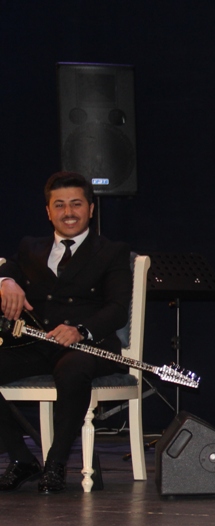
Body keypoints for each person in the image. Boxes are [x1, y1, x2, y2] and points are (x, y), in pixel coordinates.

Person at [0, 171, 132, 494]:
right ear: (48, 211)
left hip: (89, 346)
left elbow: (117, 308)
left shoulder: (111, 252)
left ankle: (55, 463)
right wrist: (6, 281)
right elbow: (9, 267)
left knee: (73, 370)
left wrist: (81, 331)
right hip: (39, 345)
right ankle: (21, 458)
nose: (68, 212)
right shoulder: (30, 247)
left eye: (76, 204)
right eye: (59, 205)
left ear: (90, 209)